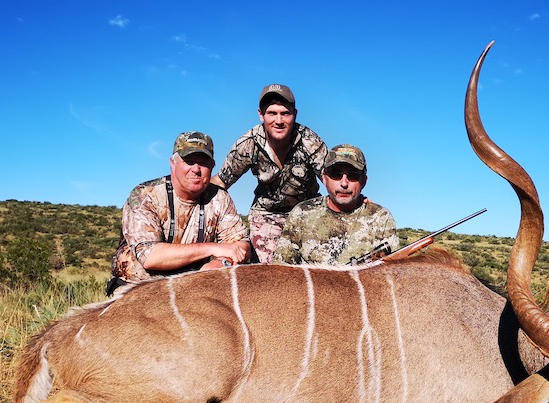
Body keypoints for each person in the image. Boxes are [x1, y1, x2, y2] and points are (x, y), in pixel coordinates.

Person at [109, 131, 251, 293]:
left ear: (212, 166)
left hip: (192, 285)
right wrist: (213, 248)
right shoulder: (145, 195)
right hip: (140, 289)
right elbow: (150, 257)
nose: (196, 169)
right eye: (189, 162)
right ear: (172, 163)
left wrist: (220, 263)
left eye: (203, 163)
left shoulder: (220, 197)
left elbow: (241, 245)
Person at [211, 83, 328, 264]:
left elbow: (333, 181)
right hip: (266, 214)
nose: (278, 120)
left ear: (295, 114)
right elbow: (221, 181)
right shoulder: (248, 144)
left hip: (308, 212)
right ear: (261, 114)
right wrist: (191, 198)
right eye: (272, 113)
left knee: (322, 263)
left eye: (285, 113)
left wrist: (359, 200)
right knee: (268, 272)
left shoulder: (309, 141)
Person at [271, 144, 399, 266]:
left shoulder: (380, 217)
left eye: (353, 176)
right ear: (324, 179)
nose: (344, 183)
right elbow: (281, 269)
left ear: (363, 182)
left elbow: (392, 270)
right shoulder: (302, 213)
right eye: (336, 174)